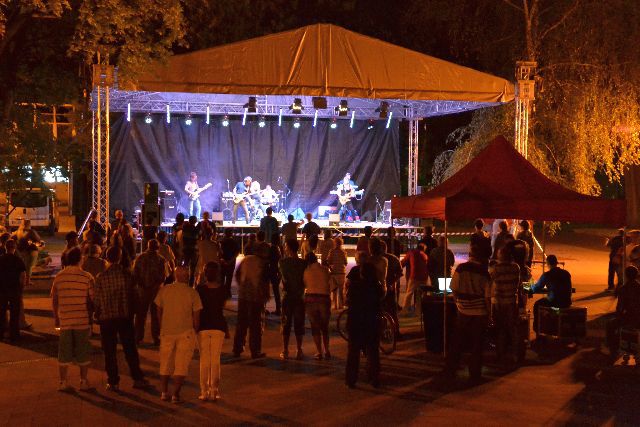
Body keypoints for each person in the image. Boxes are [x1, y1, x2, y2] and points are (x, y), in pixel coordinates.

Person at [94, 246, 148, 391]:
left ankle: (113, 381)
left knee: (109, 351)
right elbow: (135, 296)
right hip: (124, 317)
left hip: (107, 318)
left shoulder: (101, 277)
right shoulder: (127, 275)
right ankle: (137, 378)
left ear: (107, 258)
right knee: (130, 349)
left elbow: (97, 300)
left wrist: (97, 313)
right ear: (119, 257)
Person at [444, 243, 492, 383]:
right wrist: (489, 313)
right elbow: (487, 297)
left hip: (463, 310)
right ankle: (474, 373)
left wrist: (458, 303)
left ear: (470, 256)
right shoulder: (484, 272)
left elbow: (453, 288)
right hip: (479, 312)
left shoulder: (461, 268)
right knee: (477, 344)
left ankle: (451, 369)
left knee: (457, 341)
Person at [154, 265, 202, 403]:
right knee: (181, 364)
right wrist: (195, 330)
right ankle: (175, 394)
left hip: (167, 331)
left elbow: (158, 310)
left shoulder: (165, 290)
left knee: (165, 363)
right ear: (187, 276)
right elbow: (196, 316)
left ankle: (164, 392)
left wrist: (162, 325)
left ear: (175, 276)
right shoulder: (192, 293)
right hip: (186, 332)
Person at [51, 247, 95, 391]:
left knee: (64, 352)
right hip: (82, 320)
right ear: (80, 259)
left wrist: (56, 318)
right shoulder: (87, 277)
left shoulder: (59, 276)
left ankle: (63, 382)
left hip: (65, 319)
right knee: (83, 352)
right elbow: (93, 299)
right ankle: (83, 381)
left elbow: (55, 299)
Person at [345, 252, 385, 388]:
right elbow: (380, 299)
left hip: (355, 322)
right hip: (371, 322)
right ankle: (375, 378)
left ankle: (351, 379)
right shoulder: (376, 287)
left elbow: (348, 300)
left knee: (353, 352)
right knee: (373, 352)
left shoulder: (355, 287)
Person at [196, 261, 229, 401]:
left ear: (205, 274)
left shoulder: (200, 290)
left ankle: (204, 391)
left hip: (203, 326)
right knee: (215, 359)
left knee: (204, 359)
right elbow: (223, 306)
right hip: (218, 325)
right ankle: (214, 391)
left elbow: (197, 308)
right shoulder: (223, 290)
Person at [232, 244, 270, 358]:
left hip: (243, 295)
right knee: (255, 325)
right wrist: (265, 295)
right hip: (256, 297)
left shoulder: (246, 259)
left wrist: (242, 286)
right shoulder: (263, 264)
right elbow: (264, 281)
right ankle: (255, 350)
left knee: (241, 323)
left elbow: (237, 275)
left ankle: (237, 348)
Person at [489, 247, 521, 366]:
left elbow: (489, 282)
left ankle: (500, 354)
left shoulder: (496, 268)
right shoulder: (516, 267)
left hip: (499, 302)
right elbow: (518, 283)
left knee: (500, 328)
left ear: (500, 256)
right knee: (513, 329)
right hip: (511, 301)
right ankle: (515, 354)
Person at [132, 239, 167, 346]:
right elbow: (163, 277)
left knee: (140, 315)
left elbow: (135, 274)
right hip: (155, 291)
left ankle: (138, 337)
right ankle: (156, 337)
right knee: (155, 315)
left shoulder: (140, 258)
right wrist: (154, 286)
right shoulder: (161, 259)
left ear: (148, 246)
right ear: (158, 247)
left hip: (142, 291)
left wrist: (142, 285)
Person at [278, 239, 307, 360]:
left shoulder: (283, 263)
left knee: (286, 323)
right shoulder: (303, 263)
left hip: (287, 296)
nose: (285, 248)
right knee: (299, 323)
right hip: (299, 296)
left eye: (286, 246)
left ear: (289, 248)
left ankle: (285, 350)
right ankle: (299, 350)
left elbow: (281, 277)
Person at [530, 254, 572, 337]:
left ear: (547, 264)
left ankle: (538, 330)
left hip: (555, 305)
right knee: (550, 300)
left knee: (537, 305)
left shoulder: (547, 275)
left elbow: (536, 288)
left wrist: (530, 285)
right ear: (556, 263)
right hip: (566, 303)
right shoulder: (566, 273)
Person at [605, 266, 640, 358]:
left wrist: (618, 316)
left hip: (631, 318)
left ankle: (613, 349)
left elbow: (619, 308)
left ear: (626, 276)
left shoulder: (623, 289)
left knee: (611, 324)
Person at [303, 253, 332, 360]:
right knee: (325, 327)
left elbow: (305, 284)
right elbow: (330, 282)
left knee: (315, 327)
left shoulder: (306, 271)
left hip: (311, 299)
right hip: (324, 298)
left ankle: (319, 352)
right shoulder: (325, 270)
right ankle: (327, 351)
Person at [0, 239, 26, 342]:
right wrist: (21, 288)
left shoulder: (1, 259)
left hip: (2, 289)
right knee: (15, 313)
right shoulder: (18, 260)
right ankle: (14, 334)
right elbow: (22, 276)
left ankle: (1, 333)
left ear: (5, 247)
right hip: (14, 289)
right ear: (14, 248)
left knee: (1, 312)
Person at [381, 240, 403, 339]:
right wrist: (393, 282)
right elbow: (400, 273)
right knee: (392, 312)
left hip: (380, 289)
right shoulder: (393, 258)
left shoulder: (377, 259)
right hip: (390, 288)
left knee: (382, 311)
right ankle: (396, 332)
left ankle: (383, 332)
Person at [400, 243, 429, 315]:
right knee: (420, 294)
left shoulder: (412, 252)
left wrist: (398, 268)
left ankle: (405, 310)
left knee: (409, 293)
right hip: (424, 277)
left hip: (414, 276)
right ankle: (418, 311)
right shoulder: (425, 255)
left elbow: (403, 262)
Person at [327, 237, 348, 310]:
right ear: (341, 243)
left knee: (334, 290)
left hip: (334, 272)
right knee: (341, 290)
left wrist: (331, 268)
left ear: (334, 243)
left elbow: (329, 261)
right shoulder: (344, 252)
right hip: (342, 273)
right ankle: (341, 306)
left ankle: (335, 306)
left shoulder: (331, 251)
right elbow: (345, 262)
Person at [220, 229, 240, 298]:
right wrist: (231, 261)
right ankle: (228, 293)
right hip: (231, 263)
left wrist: (222, 260)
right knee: (229, 279)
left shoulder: (221, 241)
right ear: (231, 234)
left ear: (225, 233)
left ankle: (221, 293)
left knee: (222, 278)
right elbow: (237, 252)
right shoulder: (234, 242)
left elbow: (219, 252)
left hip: (222, 263)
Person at [180, 216, 199, 286]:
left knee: (185, 266)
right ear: (195, 221)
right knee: (193, 268)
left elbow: (182, 239)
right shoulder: (196, 229)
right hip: (193, 250)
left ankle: (183, 282)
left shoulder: (184, 228)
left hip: (186, 249)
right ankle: (191, 284)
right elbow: (198, 240)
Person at [267, 233, 282, 316]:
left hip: (271, 271)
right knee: (276, 291)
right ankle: (278, 308)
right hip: (277, 271)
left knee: (266, 289)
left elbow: (268, 260)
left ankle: (264, 308)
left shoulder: (272, 248)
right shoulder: (278, 248)